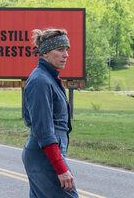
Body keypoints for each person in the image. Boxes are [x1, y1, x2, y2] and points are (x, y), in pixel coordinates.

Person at [22, 28, 79, 198]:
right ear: (45, 53)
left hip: (45, 156)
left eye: (66, 50)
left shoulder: (48, 78)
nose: (66, 55)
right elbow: (44, 131)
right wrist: (61, 169)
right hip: (44, 158)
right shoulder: (40, 81)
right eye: (60, 50)